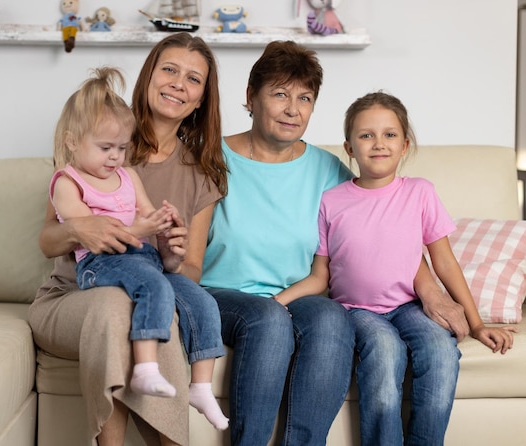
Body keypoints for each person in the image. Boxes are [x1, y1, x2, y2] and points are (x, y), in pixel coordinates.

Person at [199, 40, 471, 446]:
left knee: (330, 319)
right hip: (226, 295)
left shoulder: (328, 171)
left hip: (302, 292)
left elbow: (379, 233)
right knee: (269, 321)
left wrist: (429, 288)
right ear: (251, 98)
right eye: (280, 94)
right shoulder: (211, 157)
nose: (293, 108)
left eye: (305, 98)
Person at [275, 91, 517, 445]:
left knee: (441, 350)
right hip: (356, 311)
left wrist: (477, 323)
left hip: (409, 307)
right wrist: (277, 302)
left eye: (389, 135)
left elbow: (444, 262)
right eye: (366, 135)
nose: (378, 144)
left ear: (404, 146)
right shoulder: (332, 201)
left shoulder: (420, 193)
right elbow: (320, 276)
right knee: (386, 352)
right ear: (349, 147)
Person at [29, 32, 228, 445]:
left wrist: (170, 257)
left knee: (151, 301)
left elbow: (187, 269)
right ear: (148, 77)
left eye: (193, 79)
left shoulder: (200, 174)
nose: (178, 83)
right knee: (116, 304)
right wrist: (77, 229)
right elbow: (48, 242)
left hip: (150, 283)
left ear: (201, 99)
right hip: (70, 296)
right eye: (169, 70)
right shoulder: (99, 140)